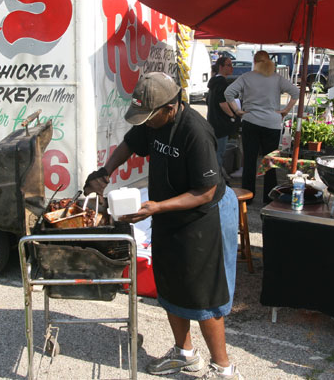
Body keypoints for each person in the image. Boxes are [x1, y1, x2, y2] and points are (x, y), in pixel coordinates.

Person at [83, 72, 243, 380]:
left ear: (170, 107)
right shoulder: (151, 123)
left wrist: (156, 207)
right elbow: (131, 142)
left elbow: (205, 190)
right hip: (168, 213)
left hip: (203, 215)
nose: (143, 122)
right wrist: (106, 171)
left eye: (149, 116)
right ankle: (185, 355)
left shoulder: (196, 132)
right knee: (170, 283)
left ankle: (224, 370)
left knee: (204, 293)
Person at [225, 50, 298, 204]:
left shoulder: (246, 77)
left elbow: (228, 93)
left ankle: (248, 196)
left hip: (250, 121)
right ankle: (269, 197)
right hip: (272, 123)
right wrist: (285, 110)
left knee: (250, 161)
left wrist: (237, 111)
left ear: (255, 61)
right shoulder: (277, 78)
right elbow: (296, 92)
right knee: (270, 162)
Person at [206, 56, 238, 167]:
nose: (231, 68)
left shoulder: (214, 82)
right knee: (219, 153)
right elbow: (222, 103)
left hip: (213, 122)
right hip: (220, 124)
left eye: (232, 65)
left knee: (215, 153)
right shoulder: (221, 83)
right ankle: (217, 179)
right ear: (221, 67)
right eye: (228, 65)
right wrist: (232, 115)